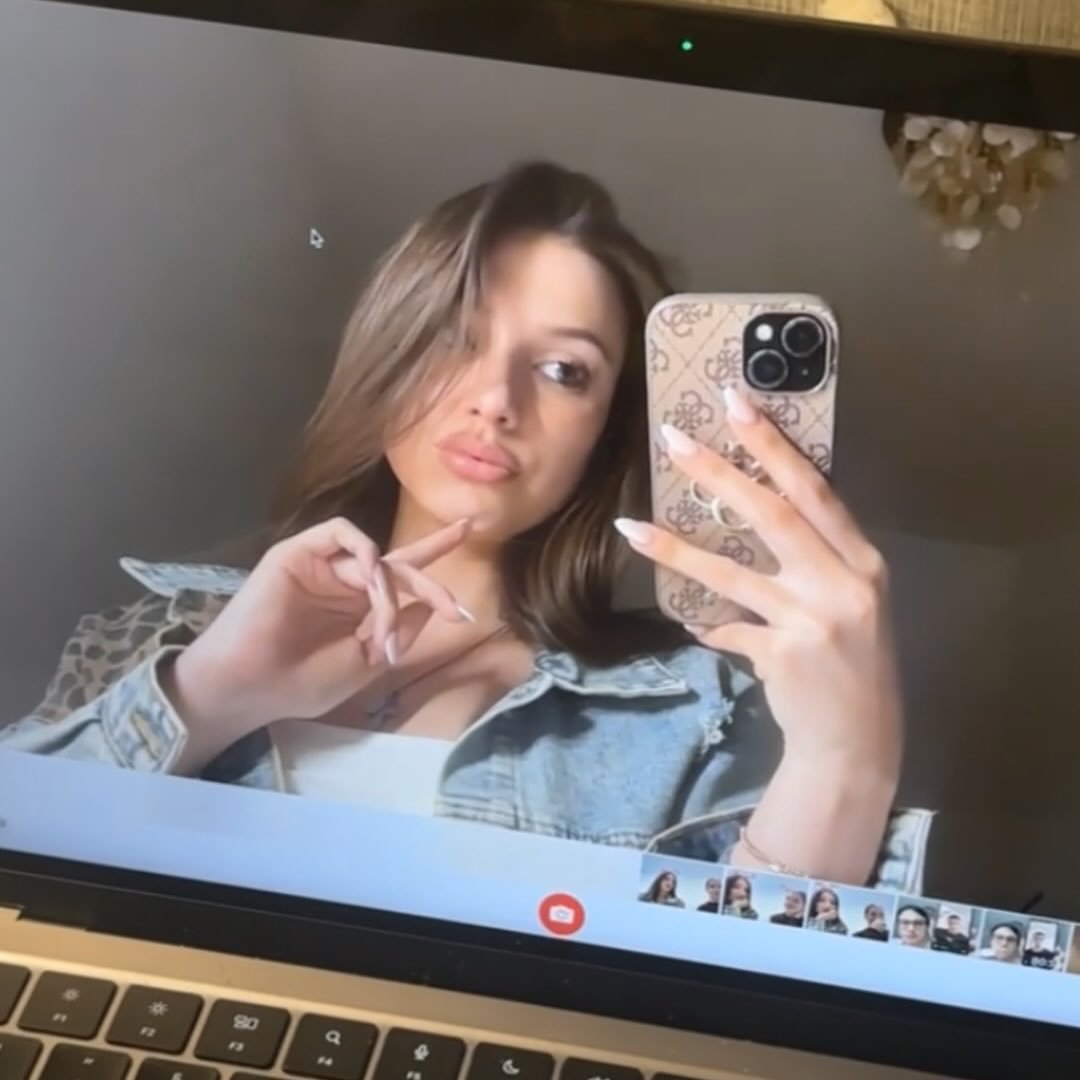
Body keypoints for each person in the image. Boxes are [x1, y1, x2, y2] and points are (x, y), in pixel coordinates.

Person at [0, 162, 929, 891]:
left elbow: (734, 1014)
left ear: (608, 432)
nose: (495, 400)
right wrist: (210, 695)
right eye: (457, 337)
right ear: (391, 350)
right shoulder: (159, 636)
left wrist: (846, 762)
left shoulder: (695, 712)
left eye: (564, 371)